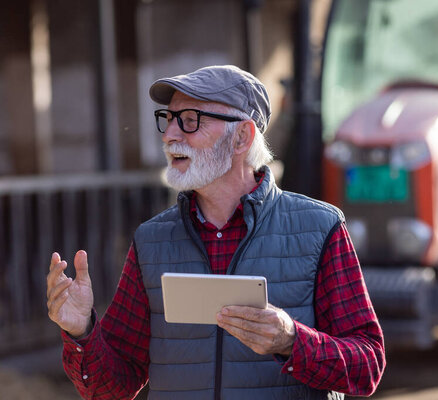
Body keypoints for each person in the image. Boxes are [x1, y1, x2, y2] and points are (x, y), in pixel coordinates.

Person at [46, 65, 385, 400]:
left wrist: (292, 341)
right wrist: (82, 332)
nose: (169, 135)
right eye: (168, 119)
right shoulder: (151, 241)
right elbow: (113, 389)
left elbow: (367, 367)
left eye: (190, 120)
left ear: (242, 137)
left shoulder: (320, 228)